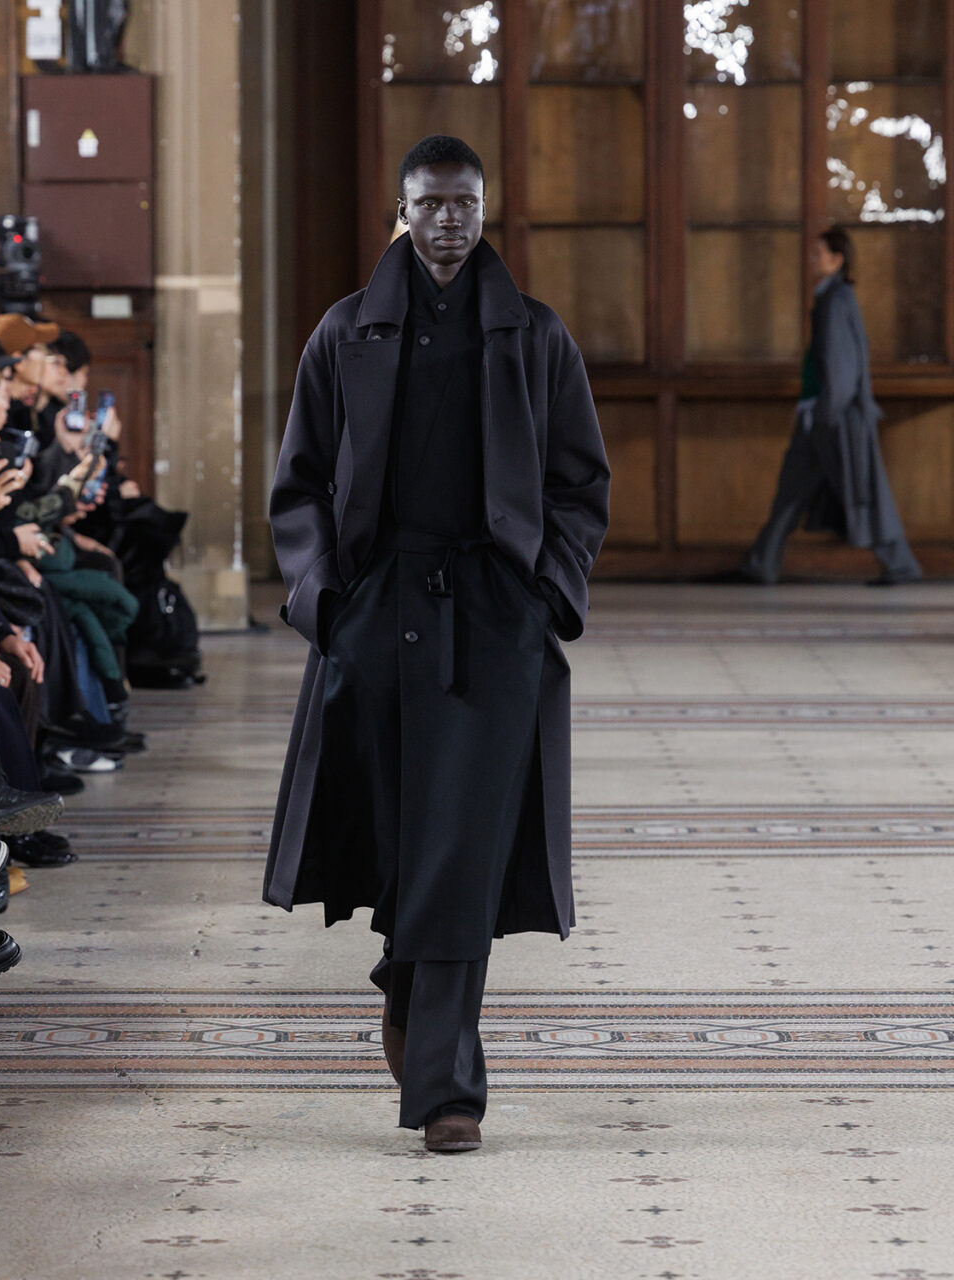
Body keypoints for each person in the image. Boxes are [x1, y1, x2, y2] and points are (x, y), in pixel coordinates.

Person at [264, 135, 610, 1152]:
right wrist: (326, 602)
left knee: (465, 843)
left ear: (484, 209)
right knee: (398, 834)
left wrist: (546, 592)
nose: (448, 220)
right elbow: (299, 480)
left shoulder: (535, 335)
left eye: (464, 203)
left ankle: (449, 1090)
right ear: (403, 211)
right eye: (430, 204)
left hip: (495, 620)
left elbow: (580, 481)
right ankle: (405, 974)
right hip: (376, 615)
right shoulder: (344, 332)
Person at [742, 225, 921, 585]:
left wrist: (825, 414)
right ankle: (761, 563)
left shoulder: (836, 301)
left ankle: (901, 564)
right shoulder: (829, 298)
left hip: (835, 420)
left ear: (837, 260)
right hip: (820, 416)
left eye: (818, 253)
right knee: (791, 491)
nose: (812, 259)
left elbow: (842, 369)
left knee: (862, 492)